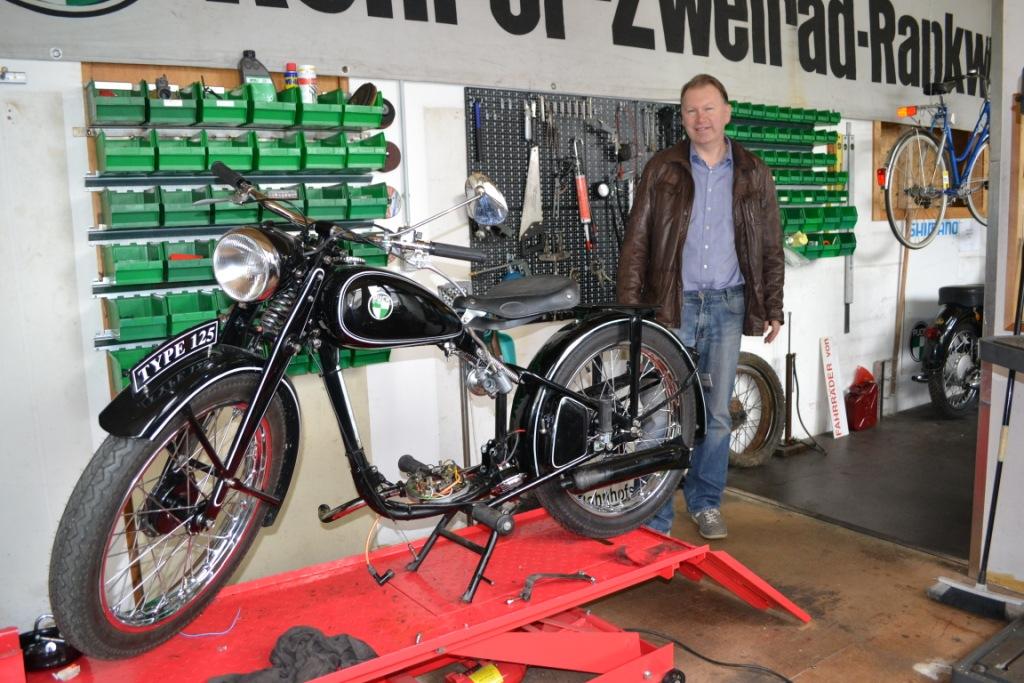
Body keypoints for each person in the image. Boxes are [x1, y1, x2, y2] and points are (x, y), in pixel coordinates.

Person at [616, 74, 784, 540]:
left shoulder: (753, 172)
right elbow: (636, 242)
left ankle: (706, 501)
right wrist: (630, 310)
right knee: (657, 412)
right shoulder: (662, 169)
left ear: (727, 112)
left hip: (728, 305)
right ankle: (653, 515)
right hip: (672, 306)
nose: (700, 118)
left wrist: (773, 304)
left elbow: (771, 244)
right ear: (682, 117)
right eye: (691, 110)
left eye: (708, 108)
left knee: (715, 415)